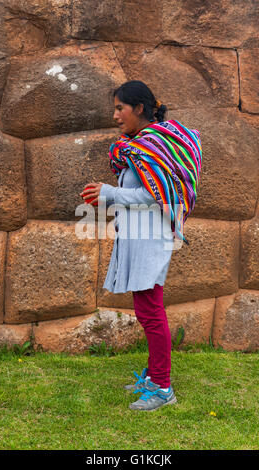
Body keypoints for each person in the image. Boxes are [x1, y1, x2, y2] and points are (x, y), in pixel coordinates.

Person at [80, 80, 202, 411]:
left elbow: (158, 195)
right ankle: (154, 377)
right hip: (139, 234)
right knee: (147, 309)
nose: (116, 116)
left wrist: (109, 193)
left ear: (139, 109)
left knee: (150, 311)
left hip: (151, 236)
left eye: (120, 108)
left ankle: (163, 388)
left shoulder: (153, 146)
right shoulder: (140, 147)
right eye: (115, 109)